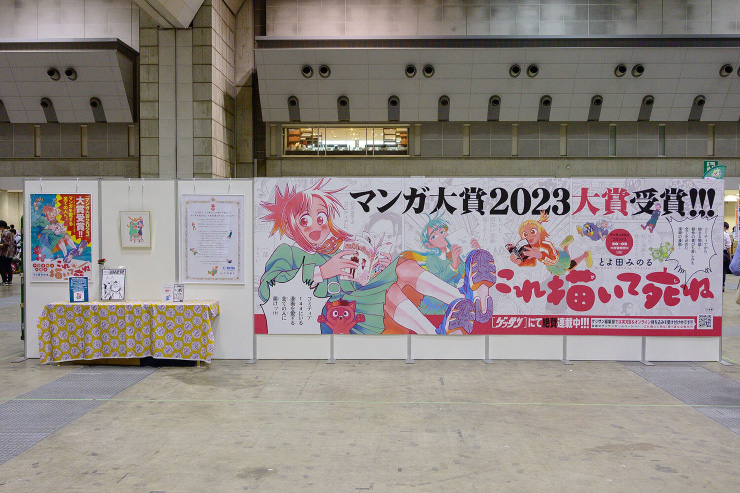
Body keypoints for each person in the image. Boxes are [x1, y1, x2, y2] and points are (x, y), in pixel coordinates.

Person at [258, 179, 497, 336]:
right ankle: (465, 301)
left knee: (402, 267)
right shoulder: (288, 253)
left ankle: (456, 308)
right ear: (291, 227)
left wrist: (375, 270)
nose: (316, 226)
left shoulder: (340, 246)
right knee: (393, 282)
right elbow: (268, 289)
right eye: (304, 220)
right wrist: (322, 272)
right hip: (340, 315)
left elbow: (356, 281)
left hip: (366, 299)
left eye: (320, 218)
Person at [0, 220, 15, 285]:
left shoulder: (4, 233)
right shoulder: (10, 233)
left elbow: (5, 244)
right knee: (8, 267)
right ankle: (9, 280)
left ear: (1, 227)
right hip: (10, 253)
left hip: (5, 253)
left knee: (2, 267)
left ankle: (5, 280)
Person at [723, 222, 732, 291]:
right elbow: (728, 247)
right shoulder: (726, 235)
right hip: (724, 254)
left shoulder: (715, 233)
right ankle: (722, 285)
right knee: (723, 270)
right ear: (725, 227)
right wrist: (730, 256)